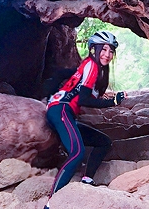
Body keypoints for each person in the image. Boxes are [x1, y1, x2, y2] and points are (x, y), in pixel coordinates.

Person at [43, 31, 126, 208]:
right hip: (61, 110)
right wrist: (113, 102)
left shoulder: (92, 68)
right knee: (77, 153)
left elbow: (64, 75)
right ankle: (51, 203)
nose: (107, 54)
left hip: (66, 114)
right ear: (93, 49)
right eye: (103, 49)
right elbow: (84, 100)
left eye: (111, 51)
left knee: (103, 142)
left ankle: (87, 179)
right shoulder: (92, 66)